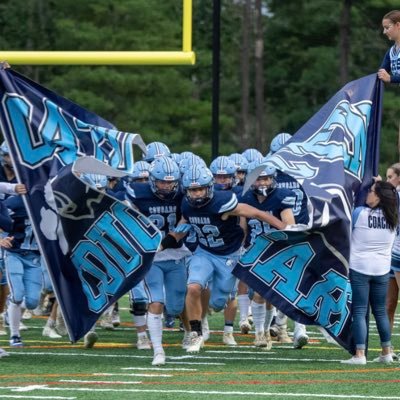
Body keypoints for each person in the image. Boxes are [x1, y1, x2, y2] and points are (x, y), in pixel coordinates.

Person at [165, 164, 286, 353]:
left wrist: (284, 228)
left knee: (218, 302)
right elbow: (183, 225)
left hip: (228, 255)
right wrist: (166, 242)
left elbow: (257, 213)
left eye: (199, 189)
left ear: (209, 187)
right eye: (191, 190)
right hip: (204, 252)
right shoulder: (187, 204)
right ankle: (195, 333)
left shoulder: (222, 202)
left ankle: (212, 306)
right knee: (193, 286)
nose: (196, 194)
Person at [126, 156, 191, 365]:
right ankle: (158, 350)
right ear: (152, 180)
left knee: (175, 305)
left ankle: (188, 331)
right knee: (155, 301)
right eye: (162, 181)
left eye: (170, 182)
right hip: (150, 258)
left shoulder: (183, 195)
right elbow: (126, 217)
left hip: (175, 254)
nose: (166, 186)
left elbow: (185, 221)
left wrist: (168, 240)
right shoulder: (137, 193)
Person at [239, 163, 296, 350]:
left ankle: (270, 330)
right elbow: (243, 228)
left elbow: (289, 226)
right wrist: (241, 249)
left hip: (276, 249)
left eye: (265, 178)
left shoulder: (281, 197)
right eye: (258, 178)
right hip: (256, 250)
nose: (262, 182)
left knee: (271, 295)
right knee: (259, 293)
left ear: (272, 179)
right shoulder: (246, 197)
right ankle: (259, 334)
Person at [341, 181, 398, 365]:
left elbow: (345, 234)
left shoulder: (359, 213)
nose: (368, 193)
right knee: (380, 311)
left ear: (379, 196)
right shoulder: (394, 217)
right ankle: (386, 352)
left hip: (359, 268)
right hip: (382, 269)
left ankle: (359, 354)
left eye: (372, 191)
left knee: (359, 311)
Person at [384, 163, 400, 358]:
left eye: (390, 177)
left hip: (398, 254)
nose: (387, 181)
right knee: (388, 304)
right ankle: (386, 348)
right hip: (389, 254)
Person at [378, 10, 400, 84]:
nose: (384, 32)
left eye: (387, 28)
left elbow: (388, 77)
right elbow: (381, 74)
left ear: (398, 25)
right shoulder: (391, 52)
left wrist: (391, 78)